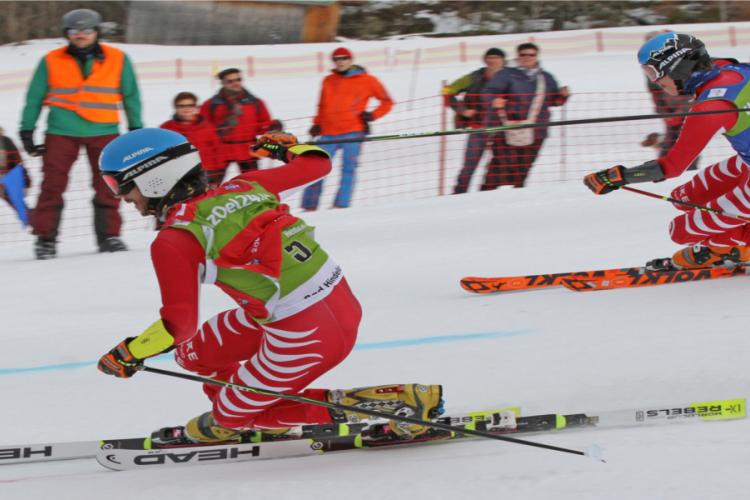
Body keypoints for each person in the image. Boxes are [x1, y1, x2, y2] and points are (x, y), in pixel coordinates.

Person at [95, 128, 441, 443]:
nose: (122, 197)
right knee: (193, 356)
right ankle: (249, 410)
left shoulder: (176, 240)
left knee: (230, 414)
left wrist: (129, 353)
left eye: (120, 185)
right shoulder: (245, 185)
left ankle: (399, 402)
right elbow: (317, 164)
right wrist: (286, 148)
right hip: (326, 306)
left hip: (306, 336)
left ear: (154, 177)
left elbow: (178, 326)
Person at [583, 32, 750, 270]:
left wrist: (616, 177)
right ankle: (728, 246)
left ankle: (730, 247)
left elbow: (671, 166)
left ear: (678, 67)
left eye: (654, 73)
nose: (654, 82)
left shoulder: (711, 107)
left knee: (682, 231)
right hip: (746, 162)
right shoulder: (728, 68)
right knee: (685, 197)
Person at [19, 8, 142, 259]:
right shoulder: (51, 60)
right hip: (61, 130)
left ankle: (109, 236)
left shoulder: (118, 58)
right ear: (67, 34)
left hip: (104, 130)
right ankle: (46, 239)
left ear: (96, 32)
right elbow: (34, 98)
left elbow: (131, 95)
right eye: (75, 31)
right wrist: (27, 129)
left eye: (87, 30)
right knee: (52, 184)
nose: (81, 35)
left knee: (108, 184)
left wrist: (135, 127)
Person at [301, 47, 393, 210]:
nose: (340, 61)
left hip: (353, 131)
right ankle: (309, 206)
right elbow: (322, 105)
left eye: (344, 58)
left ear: (351, 60)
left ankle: (341, 205)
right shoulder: (328, 80)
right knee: (316, 169)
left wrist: (372, 116)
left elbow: (387, 102)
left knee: (348, 170)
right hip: (328, 132)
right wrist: (317, 123)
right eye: (336, 59)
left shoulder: (368, 80)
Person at [482, 43, 570, 189]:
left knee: (524, 167)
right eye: (523, 55)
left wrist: (562, 96)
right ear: (518, 56)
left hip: (537, 130)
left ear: (536, 56)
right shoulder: (506, 74)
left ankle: (518, 196)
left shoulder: (546, 77)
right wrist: (494, 100)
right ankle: (485, 195)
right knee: (498, 166)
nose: (527, 58)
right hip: (507, 129)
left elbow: (553, 101)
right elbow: (487, 92)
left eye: (531, 55)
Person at [443, 48, 509, 194]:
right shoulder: (474, 77)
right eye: (489, 57)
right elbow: (447, 91)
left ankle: (486, 195)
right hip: (478, 128)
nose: (492, 60)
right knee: (469, 167)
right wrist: (462, 110)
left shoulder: (512, 76)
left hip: (504, 130)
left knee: (499, 166)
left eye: (496, 57)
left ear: (503, 60)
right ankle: (458, 195)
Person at [199, 68, 279, 186]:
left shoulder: (255, 102)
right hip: (220, 151)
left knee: (254, 185)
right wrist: (224, 126)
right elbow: (202, 129)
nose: (235, 83)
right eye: (230, 81)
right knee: (210, 187)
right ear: (223, 83)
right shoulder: (211, 104)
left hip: (247, 150)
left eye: (238, 79)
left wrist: (273, 126)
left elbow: (263, 126)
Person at [640, 32, 699, 171]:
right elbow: (655, 93)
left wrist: (679, 113)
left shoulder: (684, 64)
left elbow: (692, 93)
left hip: (686, 112)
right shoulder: (651, 69)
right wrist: (664, 113)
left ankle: (688, 169)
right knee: (671, 140)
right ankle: (663, 168)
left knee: (688, 141)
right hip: (670, 113)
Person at [161, 92, 224, 185]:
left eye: (190, 105)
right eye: (181, 106)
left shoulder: (208, 127)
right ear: (175, 108)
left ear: (196, 107)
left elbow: (218, 150)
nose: (186, 109)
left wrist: (217, 174)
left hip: (207, 173)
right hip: (179, 175)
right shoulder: (167, 128)